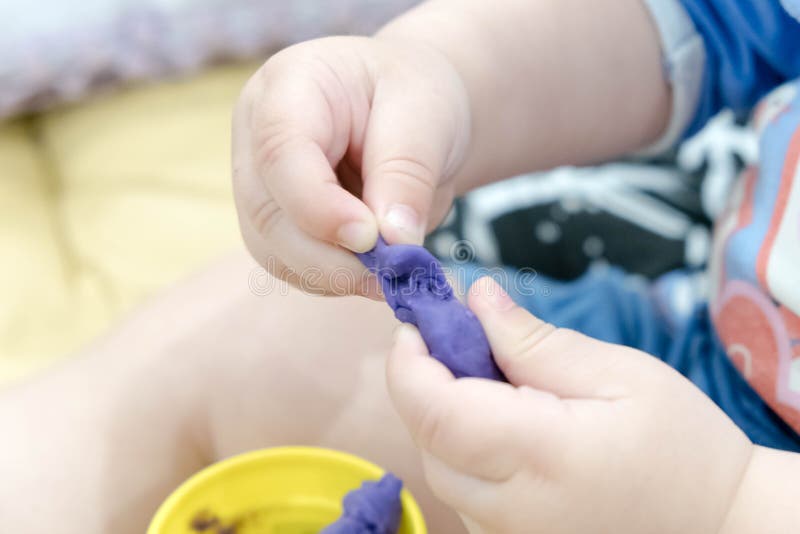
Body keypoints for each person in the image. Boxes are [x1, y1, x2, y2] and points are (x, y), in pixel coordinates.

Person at [2, 1, 800, 532]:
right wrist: (435, 75)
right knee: (243, 343)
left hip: (732, 490)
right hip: (699, 362)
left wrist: (725, 506)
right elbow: (700, 21)